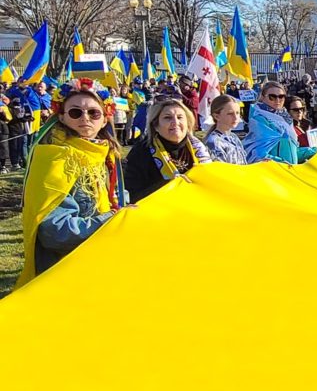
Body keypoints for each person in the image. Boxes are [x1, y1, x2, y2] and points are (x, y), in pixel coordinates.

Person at [16, 79, 124, 287]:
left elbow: (115, 199)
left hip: (98, 264)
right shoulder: (54, 159)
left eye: (94, 113)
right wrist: (112, 219)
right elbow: (55, 232)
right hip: (65, 273)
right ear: (62, 117)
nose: (85, 118)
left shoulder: (103, 155)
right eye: (76, 112)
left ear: (104, 120)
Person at [124, 97, 211, 202]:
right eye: (168, 118)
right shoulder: (141, 152)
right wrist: (166, 186)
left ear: (188, 123)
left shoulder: (200, 149)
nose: (175, 122)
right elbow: (132, 195)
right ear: (155, 125)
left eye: (180, 117)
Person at [244, 81, 314, 164]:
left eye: (281, 97)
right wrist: (283, 163)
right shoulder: (259, 120)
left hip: (289, 172)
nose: (277, 100)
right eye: (272, 97)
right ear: (262, 97)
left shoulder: (286, 119)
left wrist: (311, 152)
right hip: (273, 173)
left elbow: (292, 152)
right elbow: (258, 155)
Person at [204, 95, 246, 165]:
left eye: (237, 113)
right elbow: (220, 171)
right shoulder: (214, 142)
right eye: (230, 113)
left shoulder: (234, 137)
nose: (235, 117)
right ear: (217, 116)